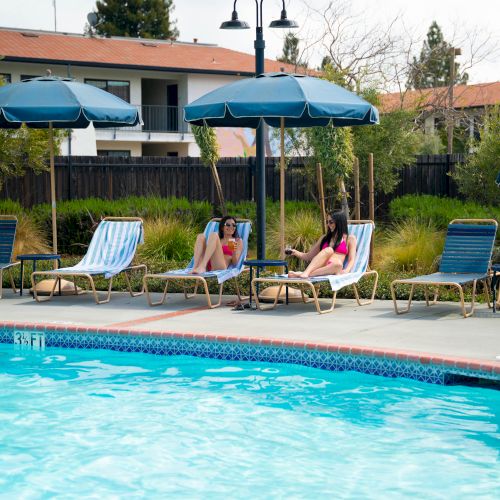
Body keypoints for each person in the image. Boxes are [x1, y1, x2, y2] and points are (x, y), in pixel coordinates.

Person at [287, 210, 356, 278]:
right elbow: (308, 256)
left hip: (333, 268)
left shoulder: (350, 239)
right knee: (329, 250)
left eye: (331, 222)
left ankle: (302, 274)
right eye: (327, 222)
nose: (328, 225)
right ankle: (306, 272)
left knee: (338, 265)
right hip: (321, 266)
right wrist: (295, 252)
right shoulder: (324, 238)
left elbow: (351, 259)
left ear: (339, 222)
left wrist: (346, 270)